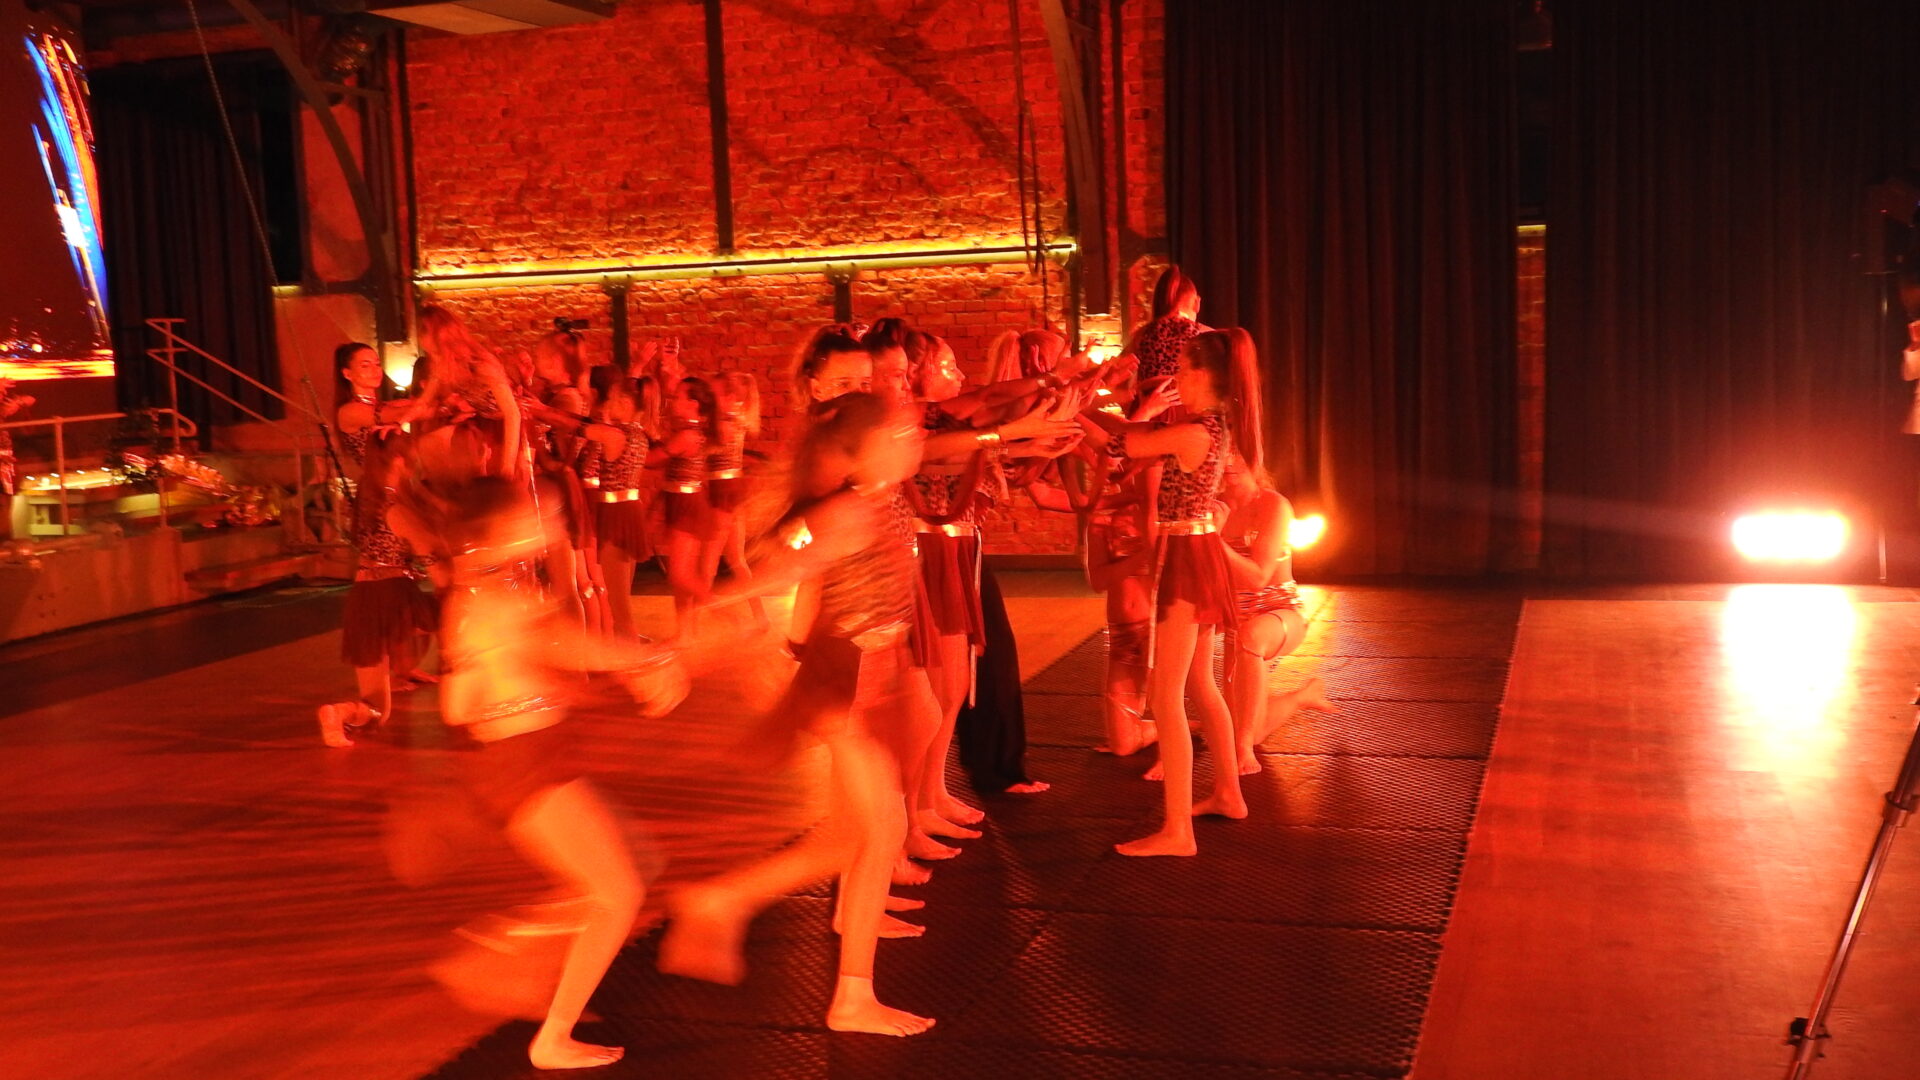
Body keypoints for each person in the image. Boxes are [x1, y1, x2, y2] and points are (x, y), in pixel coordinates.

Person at [658, 391, 939, 1037]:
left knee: (847, 837)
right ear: (864, 451)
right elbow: (789, 563)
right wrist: (713, 612)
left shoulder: (884, 498)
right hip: (847, 680)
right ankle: (851, 997)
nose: (915, 439)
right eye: (901, 433)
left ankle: (722, 897)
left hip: (879, 671)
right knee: (879, 830)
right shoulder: (847, 509)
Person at [409, 470, 685, 1070]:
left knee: (633, 868)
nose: (550, 524)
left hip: (533, 755)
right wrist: (646, 659)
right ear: (499, 530)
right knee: (617, 892)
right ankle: (549, 1035)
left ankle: (508, 952)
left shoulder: (490, 587)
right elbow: (563, 645)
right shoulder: (494, 597)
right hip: (522, 764)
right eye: (537, 516)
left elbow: (470, 697)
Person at [1080, 328, 1263, 856]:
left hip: (1187, 557)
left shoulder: (1196, 432)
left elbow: (1120, 445)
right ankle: (1228, 792)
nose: (1175, 377)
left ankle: (1177, 830)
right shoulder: (1209, 426)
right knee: (1201, 683)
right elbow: (1127, 437)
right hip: (1195, 552)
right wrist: (1085, 411)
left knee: (1166, 696)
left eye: (1183, 369)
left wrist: (1076, 411)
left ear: (1206, 376)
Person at [317, 429, 438, 747]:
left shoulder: (366, 499)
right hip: (394, 593)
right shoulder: (396, 507)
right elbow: (431, 557)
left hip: (363, 595)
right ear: (399, 460)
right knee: (449, 614)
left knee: (377, 708)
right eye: (412, 458)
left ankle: (338, 712)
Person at [1218, 456, 1333, 773]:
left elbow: (1257, 576)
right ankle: (1302, 696)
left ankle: (1242, 751)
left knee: (1251, 635)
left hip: (1280, 614)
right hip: (1237, 624)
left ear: (1253, 458)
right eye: (1221, 453)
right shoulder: (1214, 506)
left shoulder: (1273, 505)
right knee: (1252, 730)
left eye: (1236, 453)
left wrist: (1212, 537)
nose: (1228, 462)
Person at [0, 378, 35, 544]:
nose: (3, 394)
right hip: (2, 459)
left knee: (8, 498)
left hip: (6, 459)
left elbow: (30, 399)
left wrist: (17, 403)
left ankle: (7, 536)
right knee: (3, 500)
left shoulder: (3, 407)